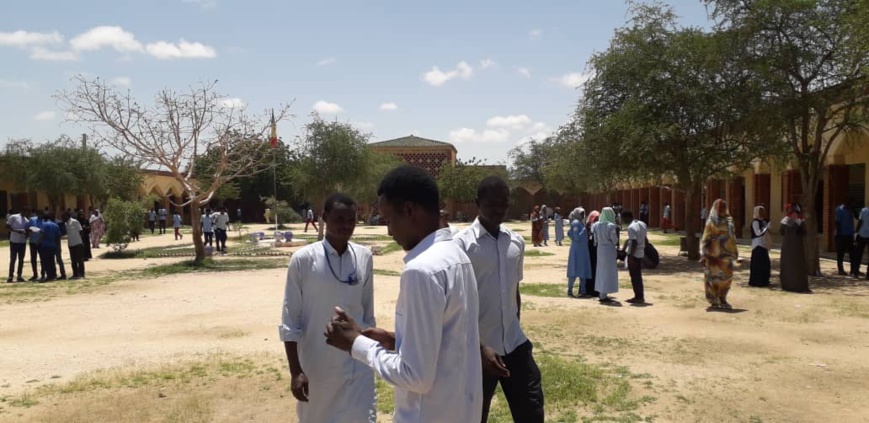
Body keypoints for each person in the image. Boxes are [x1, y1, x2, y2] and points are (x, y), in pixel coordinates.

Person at [324, 165, 482, 423]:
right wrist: (396, 341)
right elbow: (450, 342)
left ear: (409, 210)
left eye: (388, 220)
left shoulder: (421, 270)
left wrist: (356, 344)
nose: (389, 231)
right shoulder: (457, 256)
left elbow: (415, 377)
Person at [454, 177, 545, 423]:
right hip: (478, 351)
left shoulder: (515, 241)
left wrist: (515, 323)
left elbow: (514, 291)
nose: (499, 209)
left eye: (504, 203)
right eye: (492, 203)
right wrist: (479, 346)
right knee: (474, 416)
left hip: (515, 344)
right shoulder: (461, 245)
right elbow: (456, 305)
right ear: (477, 203)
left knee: (532, 410)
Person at [280, 193, 376, 422]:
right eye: (339, 219)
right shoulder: (303, 260)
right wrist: (296, 371)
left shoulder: (364, 256)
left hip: (357, 364)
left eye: (351, 220)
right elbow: (289, 320)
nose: (346, 226)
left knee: (362, 416)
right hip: (317, 365)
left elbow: (367, 314)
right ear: (324, 218)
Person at [700, 199, 741, 309]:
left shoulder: (729, 221)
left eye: (723, 207)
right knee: (714, 278)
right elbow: (705, 238)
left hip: (727, 256)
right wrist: (703, 253)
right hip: (713, 256)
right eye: (720, 207)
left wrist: (735, 252)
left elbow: (733, 237)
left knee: (727, 278)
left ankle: (723, 299)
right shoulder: (710, 222)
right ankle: (714, 300)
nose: (722, 209)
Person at [780, 203, 810, 292]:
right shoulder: (787, 221)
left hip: (796, 248)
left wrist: (796, 223)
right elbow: (782, 231)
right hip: (791, 248)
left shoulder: (799, 221)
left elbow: (804, 232)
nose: (794, 214)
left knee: (796, 267)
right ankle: (789, 285)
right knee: (790, 266)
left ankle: (797, 286)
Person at [593, 207, 620, 303]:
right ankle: (604, 294)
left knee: (600, 271)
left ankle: (601, 292)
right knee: (608, 271)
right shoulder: (611, 226)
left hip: (600, 250)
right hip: (609, 251)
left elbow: (595, 240)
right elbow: (615, 240)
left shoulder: (596, 225)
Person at [621, 210, 647, 304]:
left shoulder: (631, 227)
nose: (622, 220)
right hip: (641, 252)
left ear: (627, 217)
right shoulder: (642, 224)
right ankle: (639, 295)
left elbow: (634, 242)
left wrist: (631, 257)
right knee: (638, 276)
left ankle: (638, 297)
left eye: (623, 218)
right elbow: (645, 239)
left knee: (634, 276)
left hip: (634, 254)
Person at [567, 211, 592, 298]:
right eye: (581, 213)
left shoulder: (579, 223)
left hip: (582, 250)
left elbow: (569, 233)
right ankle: (570, 290)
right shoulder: (576, 223)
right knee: (574, 269)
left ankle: (583, 290)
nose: (583, 215)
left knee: (583, 270)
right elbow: (577, 237)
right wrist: (584, 231)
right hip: (578, 251)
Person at [748, 206, 772, 287]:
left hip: (764, 244)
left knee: (765, 263)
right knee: (757, 264)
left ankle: (765, 280)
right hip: (758, 244)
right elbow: (758, 233)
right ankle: (757, 281)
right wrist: (765, 228)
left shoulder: (765, 221)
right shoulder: (755, 222)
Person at [835, 199, 857, 276]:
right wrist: (839, 234)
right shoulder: (840, 209)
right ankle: (840, 269)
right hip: (842, 235)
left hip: (850, 234)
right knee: (841, 253)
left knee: (852, 253)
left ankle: (853, 270)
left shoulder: (850, 210)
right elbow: (837, 222)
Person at [37, 213, 61, 282]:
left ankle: (49, 276)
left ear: (44, 219)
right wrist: (57, 245)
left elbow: (42, 234)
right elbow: (58, 236)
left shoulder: (44, 224)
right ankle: (53, 275)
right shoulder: (55, 225)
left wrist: (37, 242)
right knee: (52, 261)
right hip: (53, 245)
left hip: (45, 245)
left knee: (46, 261)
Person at [6, 208, 29, 283]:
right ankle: (10, 276)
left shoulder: (26, 220)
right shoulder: (13, 217)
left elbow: (27, 231)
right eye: (25, 211)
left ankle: (19, 275)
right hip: (14, 241)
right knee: (13, 259)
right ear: (22, 210)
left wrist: (27, 233)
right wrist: (16, 231)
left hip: (22, 242)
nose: (26, 213)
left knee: (21, 260)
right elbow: (7, 227)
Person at [585, 211, 601, 298]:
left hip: (597, 251)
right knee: (591, 269)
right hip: (590, 250)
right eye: (596, 219)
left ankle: (596, 289)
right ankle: (589, 289)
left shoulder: (600, 226)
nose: (597, 220)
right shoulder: (588, 226)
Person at [66, 212, 85, 280]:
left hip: (77, 243)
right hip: (71, 244)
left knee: (80, 259)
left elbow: (81, 231)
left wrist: (81, 241)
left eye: (64, 216)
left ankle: (81, 274)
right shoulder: (66, 223)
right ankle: (75, 274)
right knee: (73, 260)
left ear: (67, 216)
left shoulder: (74, 221)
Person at [853, 202, 869, 279]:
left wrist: (856, 232)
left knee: (858, 254)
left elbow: (860, 222)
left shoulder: (864, 210)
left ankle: (856, 272)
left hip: (862, 234)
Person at [27, 210, 42, 281]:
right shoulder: (32, 219)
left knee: (43, 258)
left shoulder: (44, 221)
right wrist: (29, 230)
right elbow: (27, 228)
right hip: (33, 242)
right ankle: (35, 274)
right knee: (33, 259)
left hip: (41, 242)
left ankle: (43, 274)